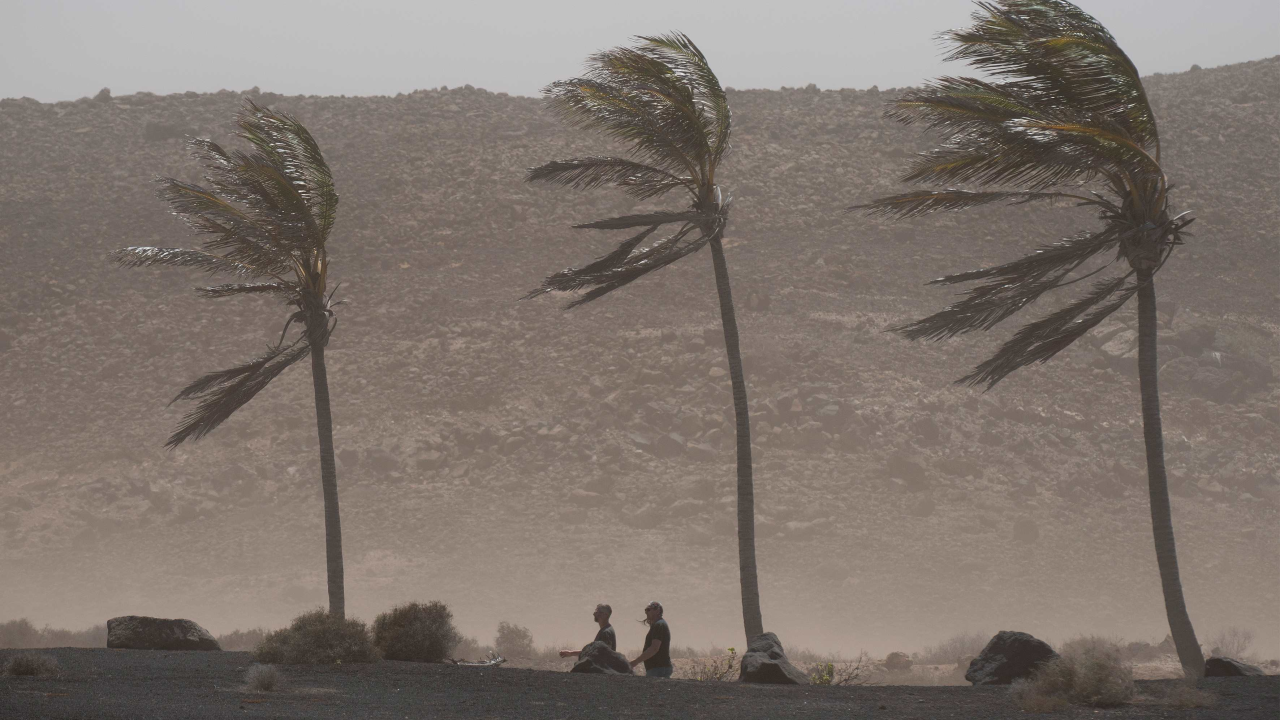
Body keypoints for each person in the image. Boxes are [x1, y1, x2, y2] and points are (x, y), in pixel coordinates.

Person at [630, 601, 672, 677]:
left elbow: (654, 648)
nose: (646, 612)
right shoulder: (657, 625)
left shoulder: (659, 625)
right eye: (645, 610)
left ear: (657, 610)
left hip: (659, 669)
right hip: (657, 668)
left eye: (649, 610)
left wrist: (636, 662)